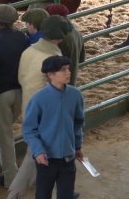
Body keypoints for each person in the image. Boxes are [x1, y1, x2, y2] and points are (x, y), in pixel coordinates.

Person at [8, 15, 72, 199]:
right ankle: (15, 194)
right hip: (46, 112)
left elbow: (22, 78)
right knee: (34, 155)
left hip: (28, 105)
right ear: (59, 38)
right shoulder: (55, 58)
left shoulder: (29, 51)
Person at [22, 56, 85, 199]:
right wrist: (38, 151)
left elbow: (78, 122)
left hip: (68, 158)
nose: (68, 72)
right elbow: (29, 130)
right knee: (43, 195)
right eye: (63, 70)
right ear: (50, 74)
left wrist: (77, 146)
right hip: (46, 159)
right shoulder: (38, 99)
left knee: (66, 195)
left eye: (68, 69)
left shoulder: (75, 95)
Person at [0, 4, 28, 188]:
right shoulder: (23, 38)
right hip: (21, 91)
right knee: (0, 134)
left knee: (1, 137)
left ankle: (13, 178)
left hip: (1, 94)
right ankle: (13, 172)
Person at [46, 3, 85, 86]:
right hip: (71, 79)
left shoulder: (59, 39)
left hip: (59, 82)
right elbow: (81, 59)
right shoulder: (77, 34)